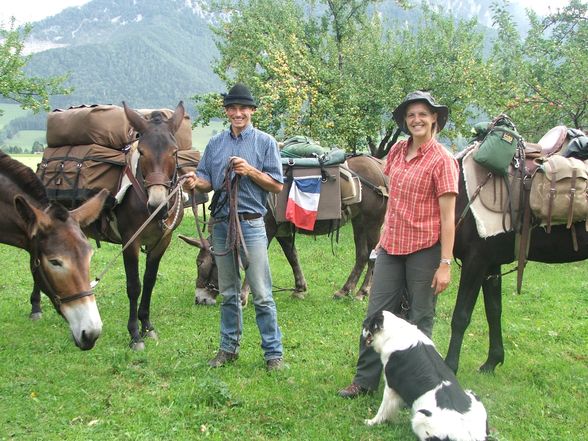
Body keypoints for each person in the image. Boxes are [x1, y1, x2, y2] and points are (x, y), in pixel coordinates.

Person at [338, 91, 459, 398]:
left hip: (424, 250)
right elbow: (393, 196)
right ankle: (365, 381)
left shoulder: (442, 161)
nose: (416, 119)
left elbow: (448, 219)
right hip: (391, 247)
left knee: (419, 319)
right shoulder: (396, 152)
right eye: (411, 115)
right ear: (405, 122)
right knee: (375, 314)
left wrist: (445, 264)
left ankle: (418, 387)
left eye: (422, 114)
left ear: (434, 119)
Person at [184, 83, 285, 371]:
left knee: (262, 292)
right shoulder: (215, 144)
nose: (238, 113)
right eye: (233, 108)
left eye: (243, 108)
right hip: (222, 224)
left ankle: (273, 354)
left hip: (251, 224)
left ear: (252, 111)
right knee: (228, 292)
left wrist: (250, 171)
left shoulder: (265, 142)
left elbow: (277, 185)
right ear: (226, 111)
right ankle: (228, 348)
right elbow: (207, 180)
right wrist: (195, 182)